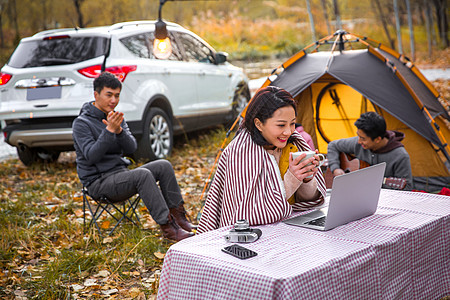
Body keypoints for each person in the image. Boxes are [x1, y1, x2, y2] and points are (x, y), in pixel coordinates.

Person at [72, 72, 194, 242]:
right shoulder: (81, 123)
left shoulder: (115, 118)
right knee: (142, 175)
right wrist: (109, 132)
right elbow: (92, 156)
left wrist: (119, 131)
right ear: (96, 95)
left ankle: (180, 220)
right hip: (98, 183)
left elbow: (132, 148)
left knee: (163, 165)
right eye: (109, 95)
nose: (113, 100)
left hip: (120, 175)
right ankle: (168, 228)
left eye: (117, 95)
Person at [197, 86, 327, 234]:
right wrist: (291, 178)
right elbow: (248, 216)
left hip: (290, 228)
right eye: (281, 125)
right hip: (252, 237)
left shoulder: (293, 146)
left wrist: (307, 178)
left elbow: (307, 202)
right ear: (259, 124)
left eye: (292, 123)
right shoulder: (241, 153)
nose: (288, 131)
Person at [327, 111, 413, 190]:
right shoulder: (358, 143)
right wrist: (335, 169)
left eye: (363, 138)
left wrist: (379, 184)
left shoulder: (401, 156)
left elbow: (407, 187)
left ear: (377, 139)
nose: (359, 141)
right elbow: (332, 145)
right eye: (358, 136)